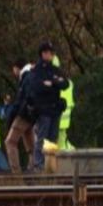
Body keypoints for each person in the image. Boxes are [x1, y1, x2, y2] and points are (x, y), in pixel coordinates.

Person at [28, 42, 69, 172]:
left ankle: (50, 165)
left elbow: (65, 83)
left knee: (52, 139)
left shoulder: (55, 69)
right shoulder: (36, 70)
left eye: (50, 53)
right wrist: (54, 83)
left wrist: (52, 82)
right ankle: (38, 165)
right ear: (42, 54)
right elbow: (36, 86)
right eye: (46, 52)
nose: (48, 55)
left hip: (55, 109)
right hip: (43, 110)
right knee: (41, 138)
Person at [4, 58, 36, 173]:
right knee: (31, 144)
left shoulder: (26, 77)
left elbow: (23, 99)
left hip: (24, 115)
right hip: (31, 116)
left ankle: (16, 173)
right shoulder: (32, 75)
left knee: (10, 142)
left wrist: (14, 114)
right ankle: (34, 168)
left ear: (17, 68)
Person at [53, 56, 76, 150]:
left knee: (59, 141)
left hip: (58, 114)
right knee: (62, 138)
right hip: (66, 114)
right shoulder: (68, 82)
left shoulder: (55, 82)